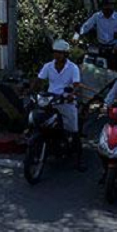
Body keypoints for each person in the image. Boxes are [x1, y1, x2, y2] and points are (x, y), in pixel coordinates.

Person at [33, 40, 85, 171]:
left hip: (65, 101)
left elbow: (76, 85)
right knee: (36, 120)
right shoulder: (48, 66)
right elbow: (39, 80)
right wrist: (30, 90)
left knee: (73, 130)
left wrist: (72, 94)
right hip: (50, 100)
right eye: (55, 52)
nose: (56, 55)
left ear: (65, 54)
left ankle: (79, 161)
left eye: (59, 53)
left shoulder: (73, 68)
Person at [76, 0, 117, 71]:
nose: (108, 8)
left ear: (113, 6)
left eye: (110, 5)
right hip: (100, 47)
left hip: (115, 48)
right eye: (106, 5)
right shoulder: (96, 16)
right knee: (89, 64)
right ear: (102, 6)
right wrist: (78, 35)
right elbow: (86, 27)